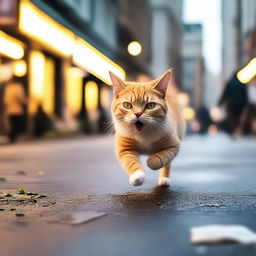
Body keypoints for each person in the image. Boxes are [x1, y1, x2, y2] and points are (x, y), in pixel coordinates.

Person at [3, 77, 27, 143]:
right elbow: (21, 98)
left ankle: (11, 137)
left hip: (10, 109)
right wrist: (25, 101)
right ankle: (13, 137)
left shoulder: (8, 88)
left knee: (12, 124)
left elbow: (5, 100)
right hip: (17, 109)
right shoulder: (18, 87)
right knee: (17, 125)